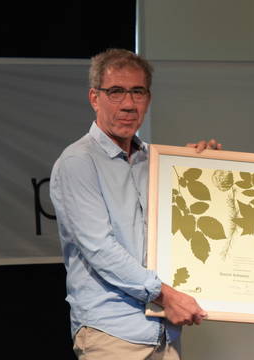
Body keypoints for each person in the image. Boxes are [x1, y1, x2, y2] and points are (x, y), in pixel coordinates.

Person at [50, 48, 220, 360]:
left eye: (137, 92)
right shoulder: (78, 162)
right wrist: (166, 295)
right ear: (94, 98)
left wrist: (205, 167)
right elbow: (100, 249)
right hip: (112, 337)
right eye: (116, 92)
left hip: (163, 334)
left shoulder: (157, 161)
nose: (128, 104)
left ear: (148, 98)